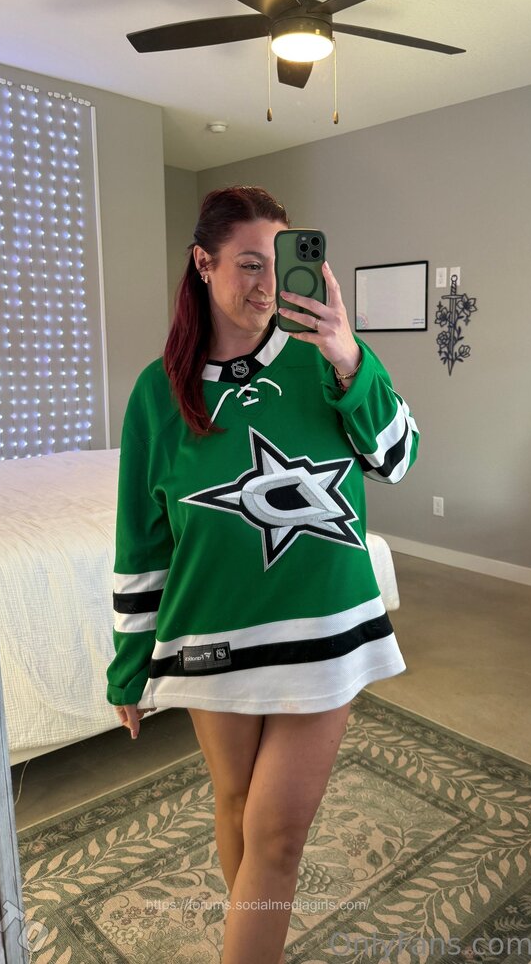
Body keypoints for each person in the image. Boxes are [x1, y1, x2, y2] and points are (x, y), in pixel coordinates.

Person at [106, 185, 419, 964]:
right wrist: (128, 666)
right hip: (210, 634)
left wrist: (350, 359)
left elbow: (398, 459)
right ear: (202, 263)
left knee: (276, 836)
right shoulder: (156, 393)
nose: (267, 283)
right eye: (249, 264)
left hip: (324, 629)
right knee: (238, 806)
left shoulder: (328, 361)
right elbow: (143, 541)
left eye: (277, 263)